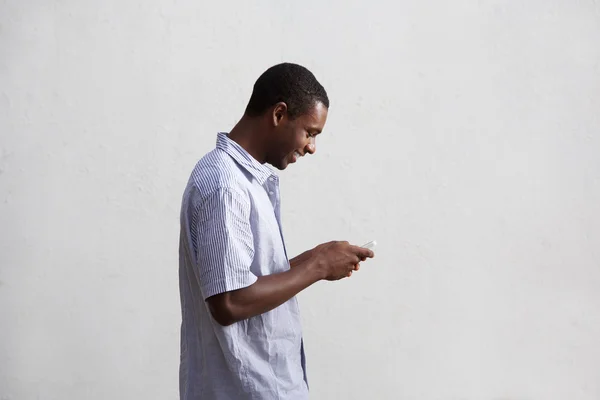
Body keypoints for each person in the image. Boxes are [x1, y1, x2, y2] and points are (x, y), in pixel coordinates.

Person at [178, 62, 374, 399]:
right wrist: (319, 266)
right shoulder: (226, 185)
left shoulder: (242, 181)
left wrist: (316, 257)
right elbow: (229, 302)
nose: (311, 146)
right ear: (279, 114)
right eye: (310, 132)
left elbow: (244, 278)